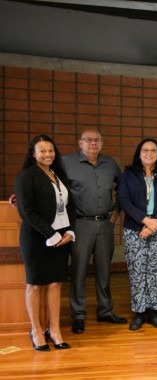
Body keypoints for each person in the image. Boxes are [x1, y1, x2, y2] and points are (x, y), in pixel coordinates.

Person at [62, 129, 126, 333]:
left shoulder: (110, 164)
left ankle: (105, 311)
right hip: (80, 224)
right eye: (88, 140)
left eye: (96, 140)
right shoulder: (66, 163)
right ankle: (78, 314)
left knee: (104, 270)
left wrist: (118, 208)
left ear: (102, 143)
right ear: (79, 143)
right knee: (79, 271)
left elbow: (124, 188)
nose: (92, 144)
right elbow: (49, 186)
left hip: (105, 224)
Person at [15, 135, 74, 351]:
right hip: (36, 237)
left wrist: (69, 231)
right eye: (42, 151)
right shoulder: (26, 176)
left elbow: (70, 207)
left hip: (62, 237)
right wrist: (51, 233)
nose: (47, 154)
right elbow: (26, 211)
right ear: (33, 154)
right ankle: (37, 331)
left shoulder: (59, 175)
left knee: (55, 283)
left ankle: (55, 330)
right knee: (35, 284)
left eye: (50, 150)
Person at [118, 138, 157, 331]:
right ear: (139, 152)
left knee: (156, 272)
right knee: (137, 272)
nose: (149, 153)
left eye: (153, 150)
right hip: (134, 229)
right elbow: (124, 200)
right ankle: (139, 312)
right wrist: (145, 220)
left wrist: (153, 225)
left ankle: (154, 311)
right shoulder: (128, 175)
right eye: (145, 150)